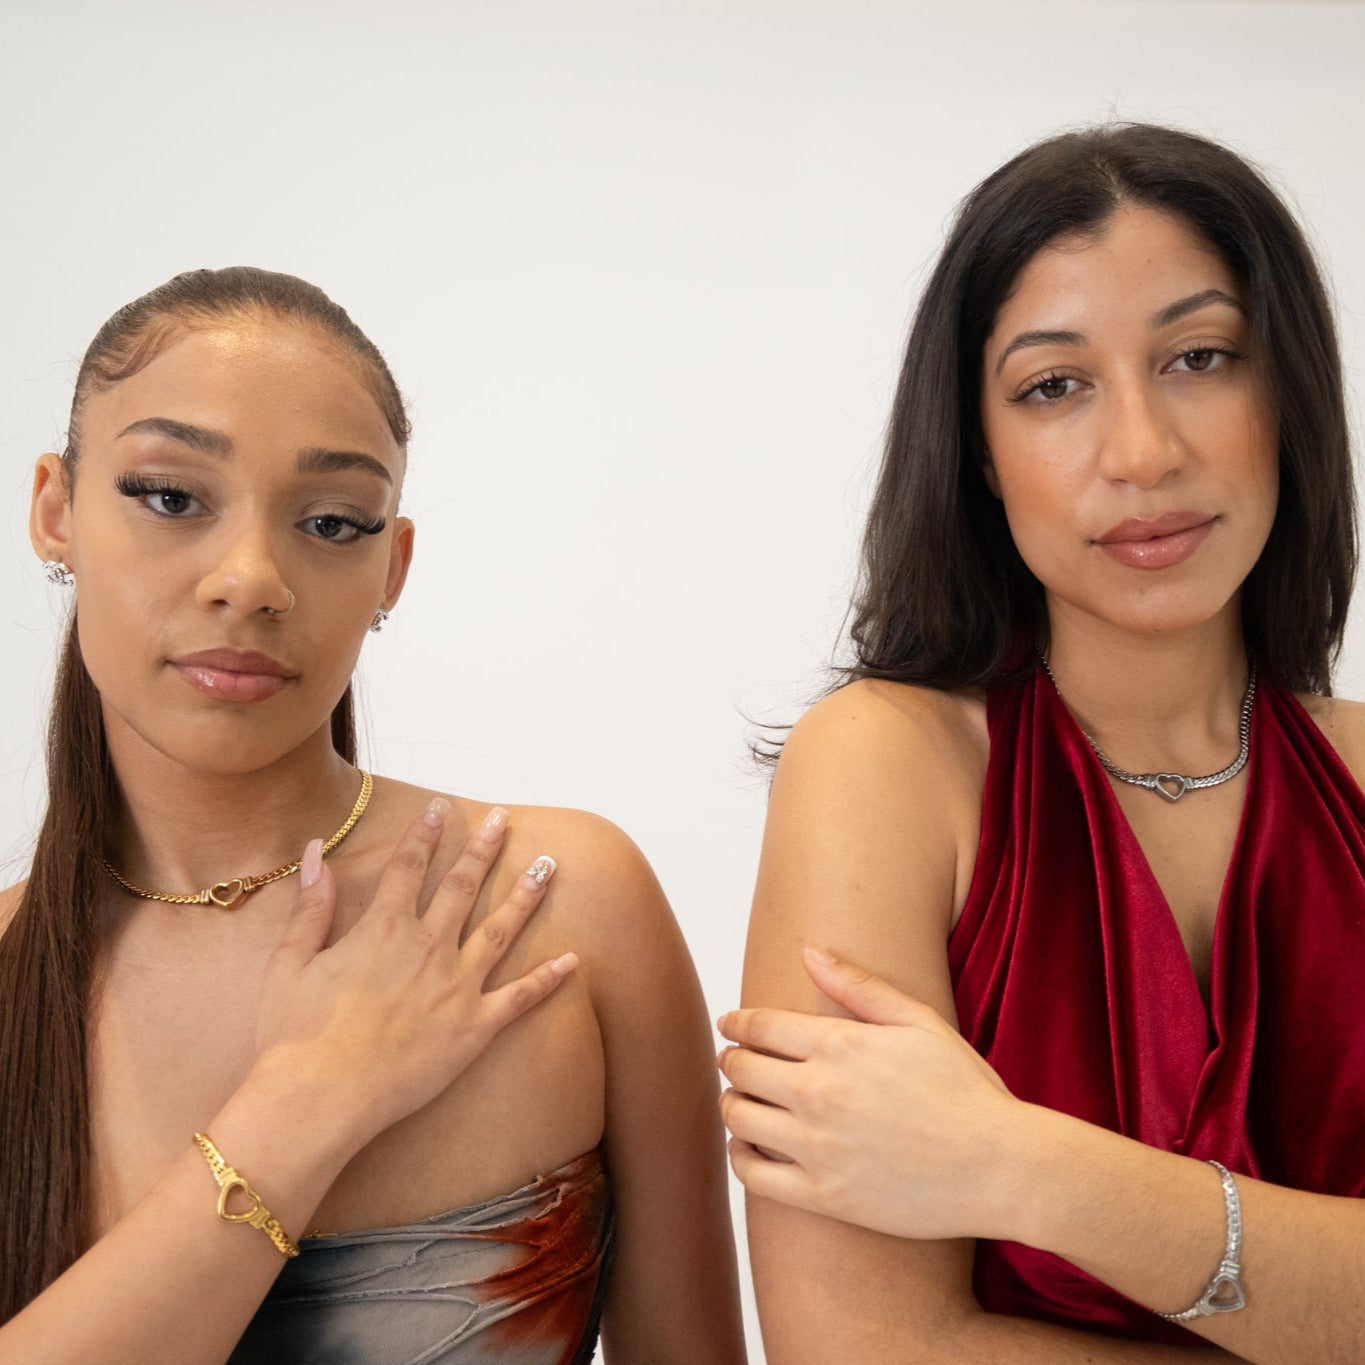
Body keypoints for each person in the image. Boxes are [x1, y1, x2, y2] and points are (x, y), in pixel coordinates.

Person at [0, 267, 744, 1363]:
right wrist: (308, 1101)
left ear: (392, 568)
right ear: (55, 512)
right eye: (170, 497)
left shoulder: (559, 908)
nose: (250, 579)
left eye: (333, 522)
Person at [717, 123, 1365, 1362]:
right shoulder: (887, 765)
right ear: (977, 450)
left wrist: (1017, 1165)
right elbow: (860, 1350)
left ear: (1288, 392)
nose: (1143, 454)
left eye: (1201, 357)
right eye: (1053, 385)